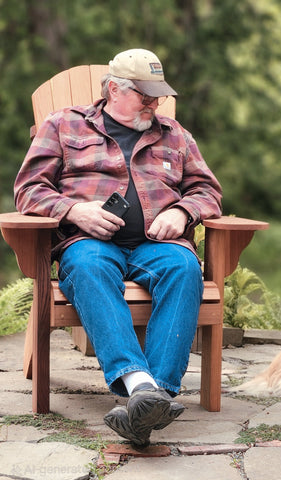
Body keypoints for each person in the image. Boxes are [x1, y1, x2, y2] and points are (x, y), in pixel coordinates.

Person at [14, 48, 222, 446]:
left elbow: (207, 190)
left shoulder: (174, 134)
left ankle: (146, 397)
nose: (154, 103)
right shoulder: (64, 125)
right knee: (90, 266)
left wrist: (181, 212)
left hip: (157, 244)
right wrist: (74, 209)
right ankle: (144, 387)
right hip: (90, 243)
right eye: (145, 96)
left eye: (158, 96)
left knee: (183, 268)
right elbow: (28, 190)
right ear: (113, 88)